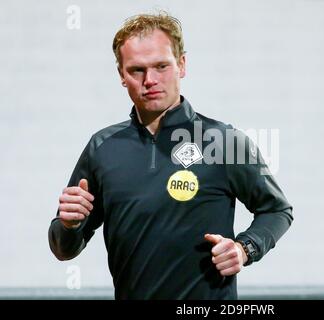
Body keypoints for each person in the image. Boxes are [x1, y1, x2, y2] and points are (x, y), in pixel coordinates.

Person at [48, 12, 293, 300]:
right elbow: (64, 249)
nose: (150, 80)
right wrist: (68, 225)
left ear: (182, 65)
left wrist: (245, 248)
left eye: (161, 66)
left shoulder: (224, 142)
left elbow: (277, 210)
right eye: (136, 70)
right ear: (121, 76)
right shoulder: (103, 147)